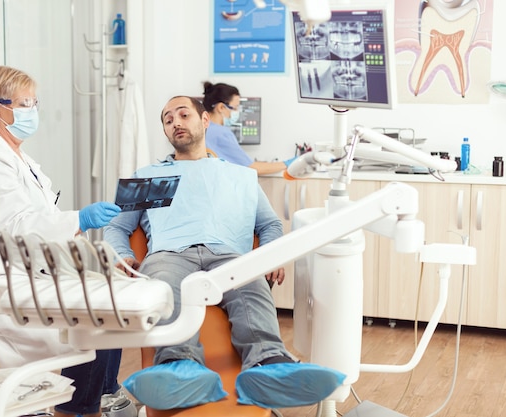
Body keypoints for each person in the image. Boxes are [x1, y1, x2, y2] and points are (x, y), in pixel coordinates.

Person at [103, 96, 344, 410]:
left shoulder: (239, 175)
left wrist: (269, 256)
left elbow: (269, 224)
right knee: (163, 285)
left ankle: (267, 364)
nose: (175, 122)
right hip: (170, 255)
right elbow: (116, 227)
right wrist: (123, 255)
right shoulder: (150, 175)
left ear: (204, 121)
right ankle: (180, 367)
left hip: (229, 257)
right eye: (167, 119)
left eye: (183, 114)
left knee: (252, 285)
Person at [0, 65, 131, 417]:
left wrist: (90, 253)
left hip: (28, 268)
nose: (32, 111)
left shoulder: (22, 160)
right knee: (91, 324)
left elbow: (41, 223)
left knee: (111, 309)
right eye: (24, 103)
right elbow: (17, 226)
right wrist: (80, 219)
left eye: (34, 102)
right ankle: (79, 409)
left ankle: (98, 398)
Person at [202, 81, 297, 175]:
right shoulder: (221, 133)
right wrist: (287, 163)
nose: (237, 112)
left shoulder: (200, 129)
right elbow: (251, 168)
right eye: (235, 108)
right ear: (221, 108)